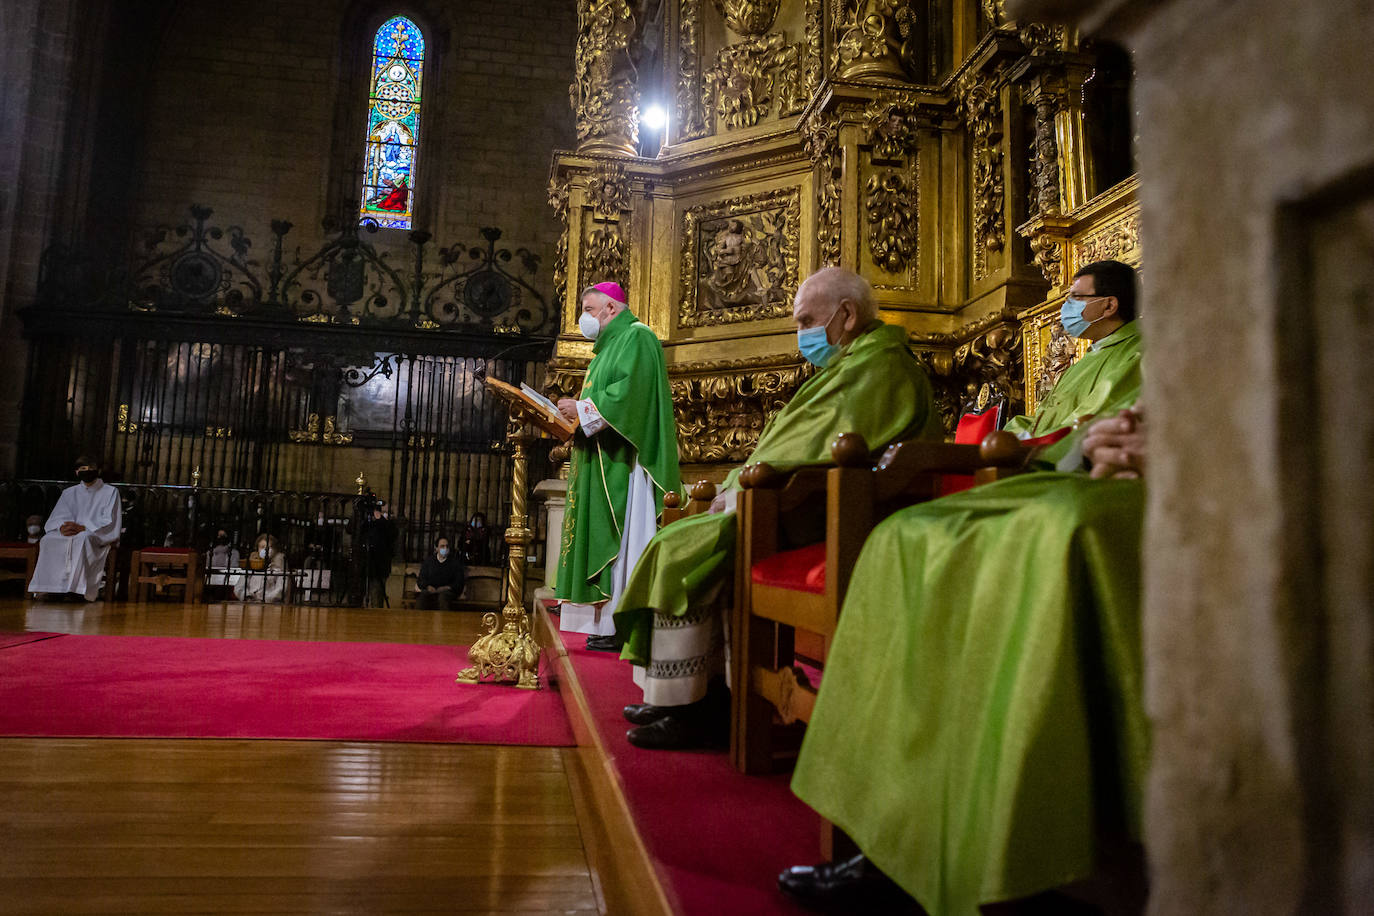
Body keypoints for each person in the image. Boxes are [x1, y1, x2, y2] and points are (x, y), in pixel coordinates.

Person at [780, 408, 1150, 915]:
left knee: (1056, 532)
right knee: (904, 533)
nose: (800, 328)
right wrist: (1097, 440)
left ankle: (1029, 864)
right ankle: (896, 838)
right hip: (1109, 473)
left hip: (1198, 486)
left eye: (806, 320)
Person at [612, 266, 943, 750]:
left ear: (846, 315)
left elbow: (815, 447)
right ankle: (699, 695)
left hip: (843, 513)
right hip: (817, 501)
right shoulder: (857, 361)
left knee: (686, 548)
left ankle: (694, 706)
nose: (801, 334)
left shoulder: (880, 367)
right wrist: (736, 487)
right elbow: (801, 440)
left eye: (807, 320)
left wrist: (740, 490)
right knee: (683, 540)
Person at [554, 281, 682, 650]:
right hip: (602, 459)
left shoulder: (637, 337)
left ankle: (623, 622)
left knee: (627, 541)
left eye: (589, 311)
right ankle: (606, 622)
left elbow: (631, 394)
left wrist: (580, 409)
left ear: (611, 308)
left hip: (627, 466)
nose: (585, 319)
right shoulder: (605, 349)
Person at [1003, 258, 1143, 467]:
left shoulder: (1137, 352)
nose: (1066, 306)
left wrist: (1028, 447)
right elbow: (1044, 419)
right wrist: (1011, 435)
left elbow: (1092, 418)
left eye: (1076, 297)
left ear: (1109, 305)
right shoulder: (1088, 358)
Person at [28, 455, 122, 601]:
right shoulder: (69, 493)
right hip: (71, 531)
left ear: (99, 471)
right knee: (48, 539)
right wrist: (61, 527)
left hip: (93, 533)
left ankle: (77, 591)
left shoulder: (110, 492)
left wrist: (83, 527)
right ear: (77, 472)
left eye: (91, 468)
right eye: (83, 468)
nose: (87, 471)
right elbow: (59, 515)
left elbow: (109, 519)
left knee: (83, 539)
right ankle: (52, 588)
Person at [359, 498, 396, 607]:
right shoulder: (367, 523)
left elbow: (391, 535)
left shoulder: (387, 525)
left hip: (379, 566)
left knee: (376, 595)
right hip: (365, 563)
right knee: (360, 595)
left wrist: (381, 519)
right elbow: (351, 529)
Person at [233, 533, 287, 602]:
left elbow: (281, 588)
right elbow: (239, 587)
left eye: (269, 547)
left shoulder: (279, 565)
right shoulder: (252, 563)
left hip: (270, 605)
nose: (265, 550)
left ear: (274, 549)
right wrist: (247, 597)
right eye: (262, 547)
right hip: (249, 603)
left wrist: (265, 599)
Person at [416, 535, 465, 610]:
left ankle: (443, 620)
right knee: (422, 597)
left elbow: (459, 582)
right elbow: (421, 579)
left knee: (443, 598)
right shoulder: (429, 561)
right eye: (442, 546)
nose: (445, 548)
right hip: (431, 589)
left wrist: (447, 587)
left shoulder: (455, 563)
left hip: (447, 591)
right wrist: (427, 586)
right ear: (436, 548)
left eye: (447, 546)